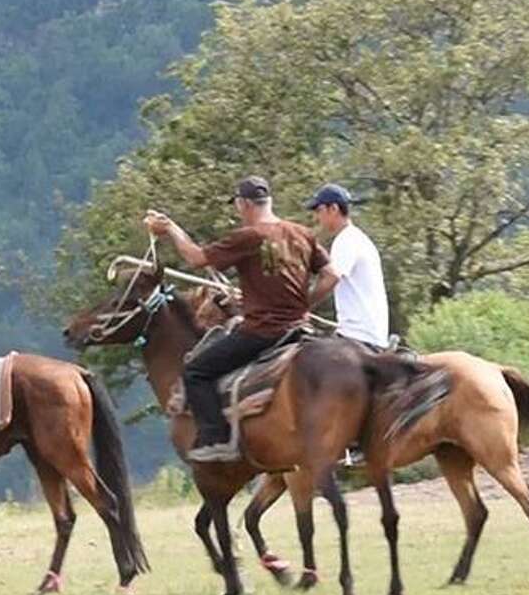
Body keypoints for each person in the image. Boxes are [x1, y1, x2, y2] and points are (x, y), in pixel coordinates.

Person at [144, 176, 329, 463]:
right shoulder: (301, 233)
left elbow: (196, 258)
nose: (238, 211)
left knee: (195, 370)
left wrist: (171, 228)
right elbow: (332, 275)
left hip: (262, 332)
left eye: (237, 206)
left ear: (244, 204)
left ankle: (215, 438)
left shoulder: (248, 236)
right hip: (301, 328)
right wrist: (304, 303)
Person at [306, 183, 390, 350]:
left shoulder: (346, 240)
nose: (317, 217)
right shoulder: (356, 238)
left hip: (358, 335)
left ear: (333, 209)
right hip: (368, 333)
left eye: (319, 210)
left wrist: (302, 306)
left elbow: (331, 278)